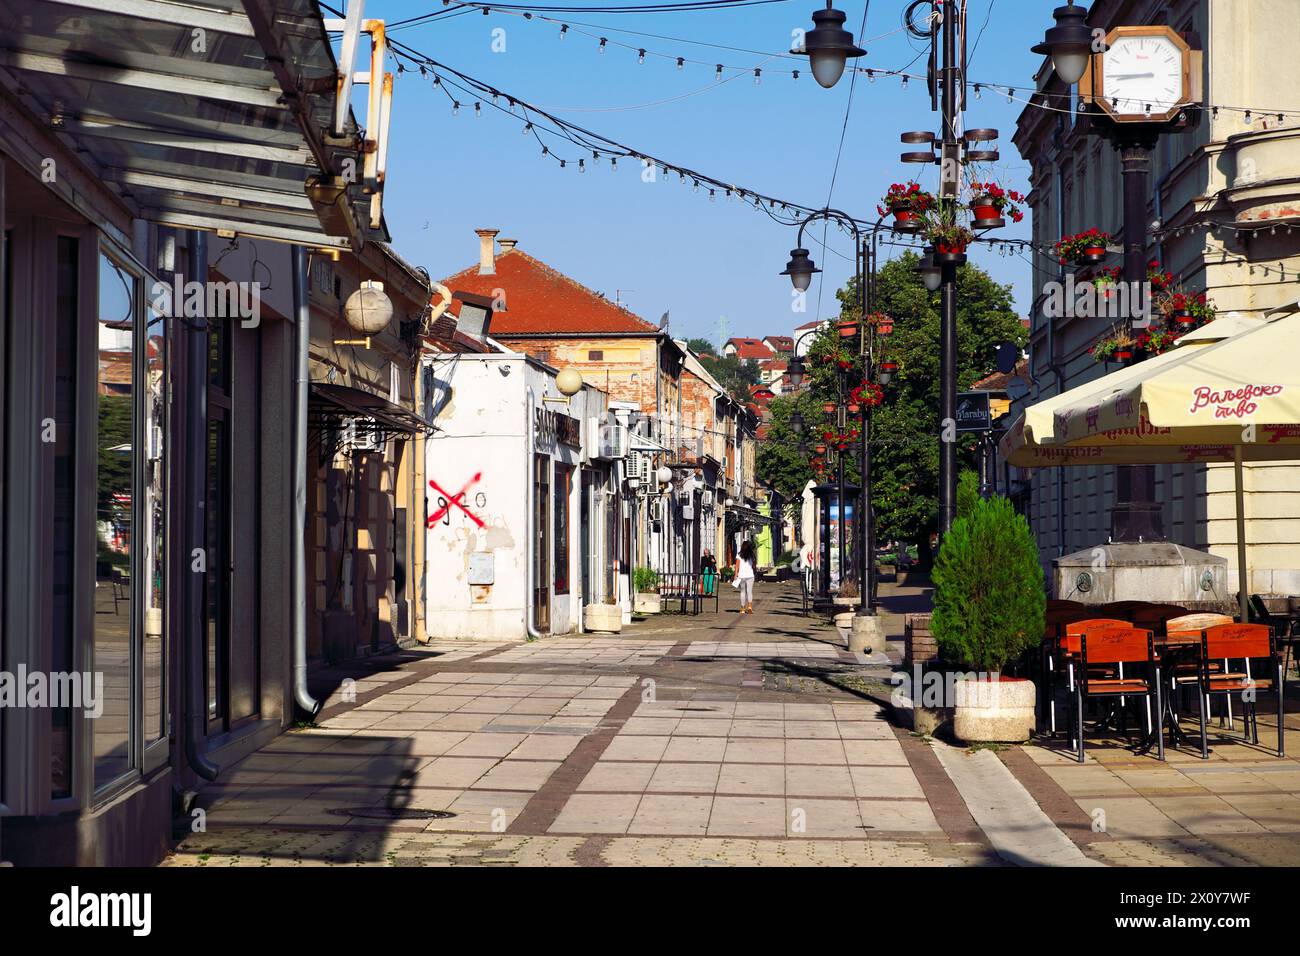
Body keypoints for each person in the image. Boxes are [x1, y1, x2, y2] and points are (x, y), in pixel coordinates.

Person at [735, 539, 756, 614]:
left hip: (741, 576)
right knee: (749, 592)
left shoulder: (739, 554)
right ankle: (750, 607)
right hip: (750, 575)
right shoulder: (752, 555)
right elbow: (754, 565)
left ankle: (742, 608)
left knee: (742, 592)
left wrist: (735, 575)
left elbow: (737, 566)